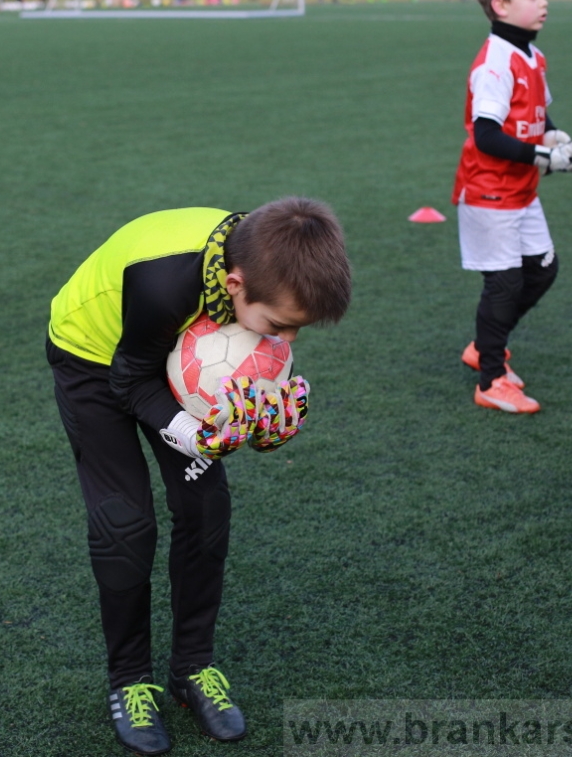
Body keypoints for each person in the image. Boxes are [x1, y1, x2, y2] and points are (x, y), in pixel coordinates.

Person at [47, 200, 352, 755]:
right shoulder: (164, 283)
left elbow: (223, 371)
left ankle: (193, 667)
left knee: (206, 508)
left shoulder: (264, 261)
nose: (286, 340)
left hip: (167, 351)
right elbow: (131, 381)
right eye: (280, 326)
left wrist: (259, 423)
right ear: (234, 286)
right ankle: (131, 681)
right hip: (94, 360)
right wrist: (199, 434)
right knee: (125, 524)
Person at [451, 0, 572, 413]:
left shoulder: (530, 54)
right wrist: (546, 157)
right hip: (488, 191)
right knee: (504, 284)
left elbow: (537, 110)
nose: (545, 4)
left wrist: (554, 136)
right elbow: (486, 134)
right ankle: (491, 379)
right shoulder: (495, 62)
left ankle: (485, 346)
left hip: (521, 190)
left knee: (542, 270)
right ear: (500, 5)